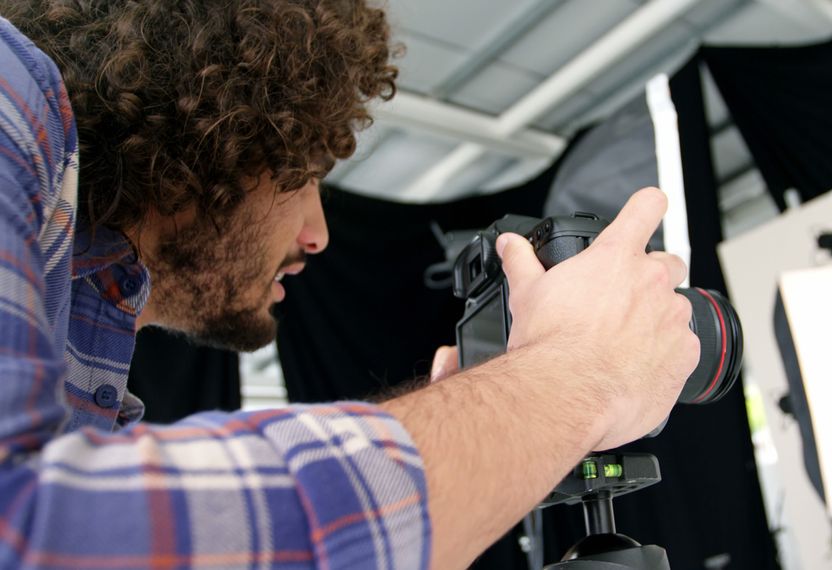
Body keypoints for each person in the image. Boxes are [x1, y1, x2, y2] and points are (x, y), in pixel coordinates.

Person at [0, 1, 699, 568]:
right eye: (305, 175)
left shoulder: (83, 333)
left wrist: (474, 430)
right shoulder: (9, 88)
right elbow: (36, 527)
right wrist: (574, 374)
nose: (318, 235)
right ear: (213, 139)